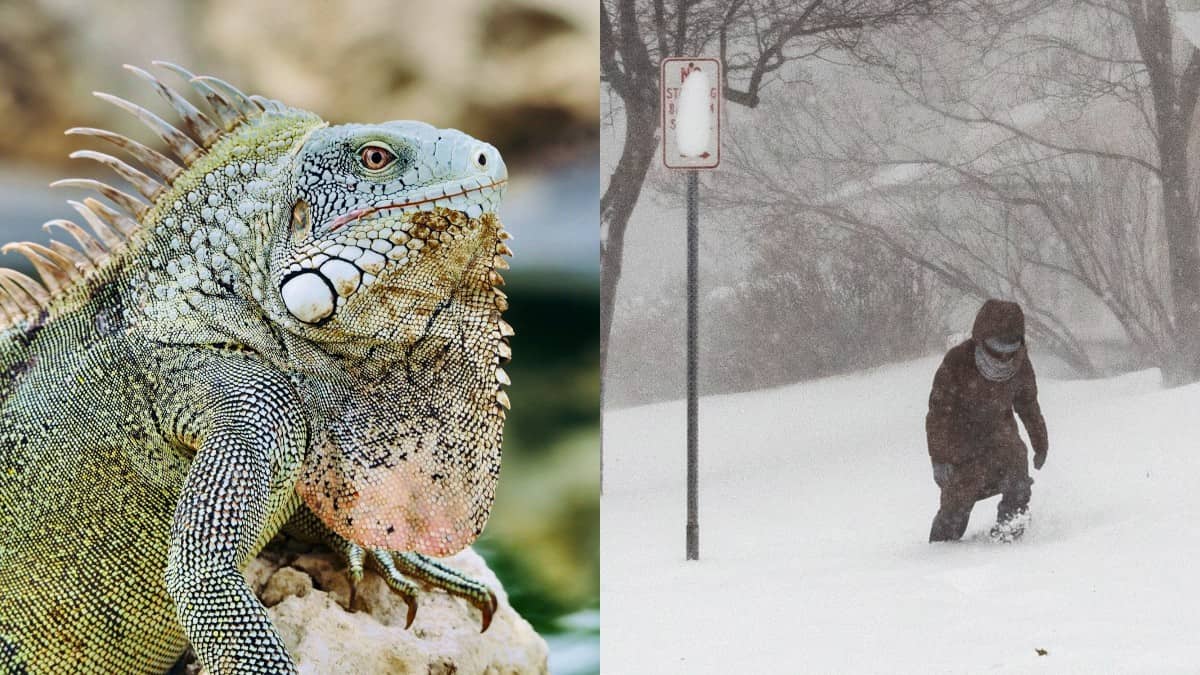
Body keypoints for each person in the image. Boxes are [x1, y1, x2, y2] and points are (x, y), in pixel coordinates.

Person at [926, 299, 1048, 542]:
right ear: (981, 339)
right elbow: (939, 414)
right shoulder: (957, 362)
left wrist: (1039, 442)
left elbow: (1028, 404)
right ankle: (940, 553)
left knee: (1018, 482)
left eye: (1010, 349)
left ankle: (1011, 533)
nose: (1003, 357)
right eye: (996, 348)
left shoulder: (1020, 363)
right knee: (956, 507)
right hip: (961, 447)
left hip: (1002, 440)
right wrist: (939, 458)